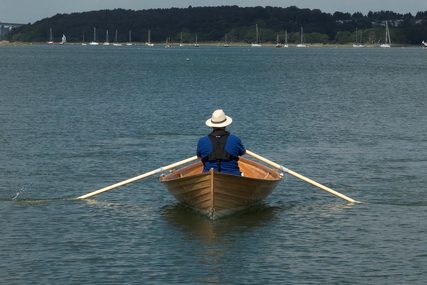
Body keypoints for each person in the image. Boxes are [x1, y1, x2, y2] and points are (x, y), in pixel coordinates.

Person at [197, 109, 246, 176]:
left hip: (207, 175)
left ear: (212, 125)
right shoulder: (235, 139)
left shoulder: (202, 141)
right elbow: (242, 153)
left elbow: (199, 157)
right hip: (233, 175)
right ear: (225, 125)